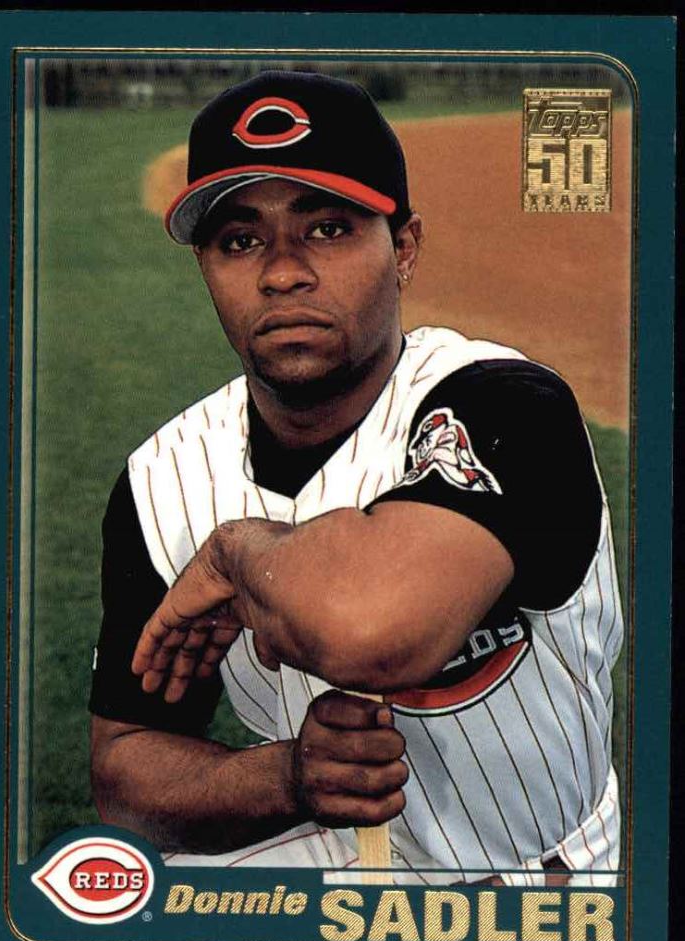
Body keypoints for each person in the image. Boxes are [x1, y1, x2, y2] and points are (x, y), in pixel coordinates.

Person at [90, 70, 623, 885]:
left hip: (540, 872)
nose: (282, 273)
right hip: (326, 854)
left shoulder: (508, 405)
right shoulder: (162, 477)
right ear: (206, 266)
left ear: (402, 247)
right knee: (96, 909)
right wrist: (285, 778)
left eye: (328, 228)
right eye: (240, 241)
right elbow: (124, 769)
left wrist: (240, 553)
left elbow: (371, 632)